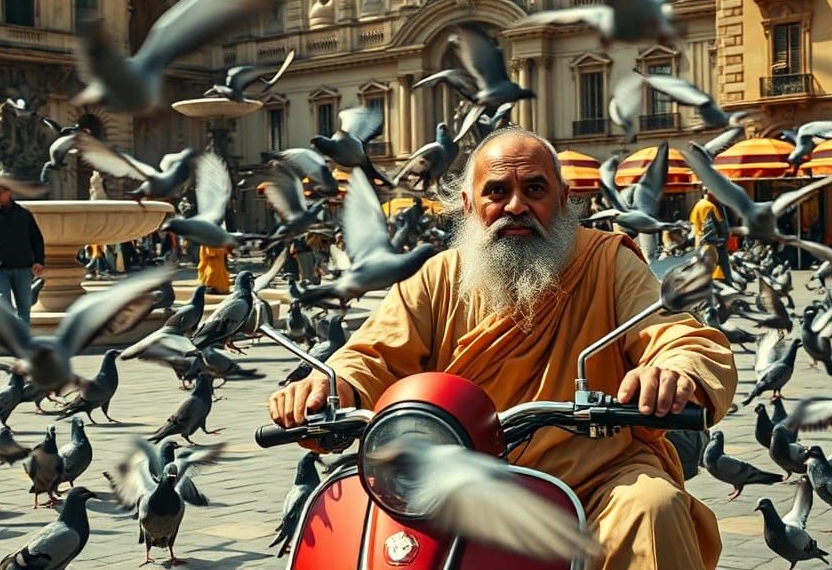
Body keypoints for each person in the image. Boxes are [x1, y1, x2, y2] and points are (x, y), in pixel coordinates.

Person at [269, 128, 737, 570]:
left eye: (534, 189)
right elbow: (371, 354)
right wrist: (328, 386)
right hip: (453, 480)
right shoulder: (437, 278)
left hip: (596, 480)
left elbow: (677, 336)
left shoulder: (606, 262)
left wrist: (674, 370)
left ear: (563, 199)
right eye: (497, 192)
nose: (516, 205)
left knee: (653, 506)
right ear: (469, 205)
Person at [0, 186, 44, 323]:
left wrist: (39, 261)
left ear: (8, 192)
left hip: (23, 268)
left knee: (24, 308)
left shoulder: (24, 214)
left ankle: (21, 335)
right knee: (4, 307)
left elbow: (36, 239)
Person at [689, 190, 727, 280]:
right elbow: (714, 226)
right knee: (713, 267)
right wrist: (720, 239)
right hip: (709, 243)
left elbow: (693, 226)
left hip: (699, 242)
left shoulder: (697, 206)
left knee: (700, 266)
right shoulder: (710, 206)